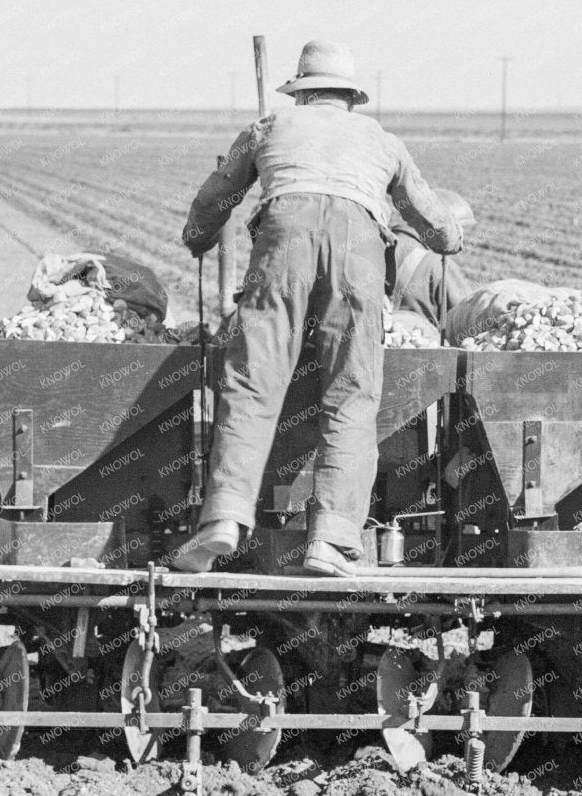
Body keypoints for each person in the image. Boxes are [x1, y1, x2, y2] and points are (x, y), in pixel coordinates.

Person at [170, 40, 464, 576]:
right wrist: (451, 239)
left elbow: (215, 198)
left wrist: (197, 238)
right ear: (351, 98)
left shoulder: (270, 126)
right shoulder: (381, 140)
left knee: (252, 381)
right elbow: (435, 224)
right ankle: (330, 540)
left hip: (283, 240)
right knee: (351, 394)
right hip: (359, 254)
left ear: (301, 92)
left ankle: (224, 517)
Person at [389, 189, 475, 334]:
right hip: (418, 352)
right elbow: (467, 320)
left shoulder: (376, 246)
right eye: (459, 229)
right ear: (443, 227)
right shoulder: (438, 265)